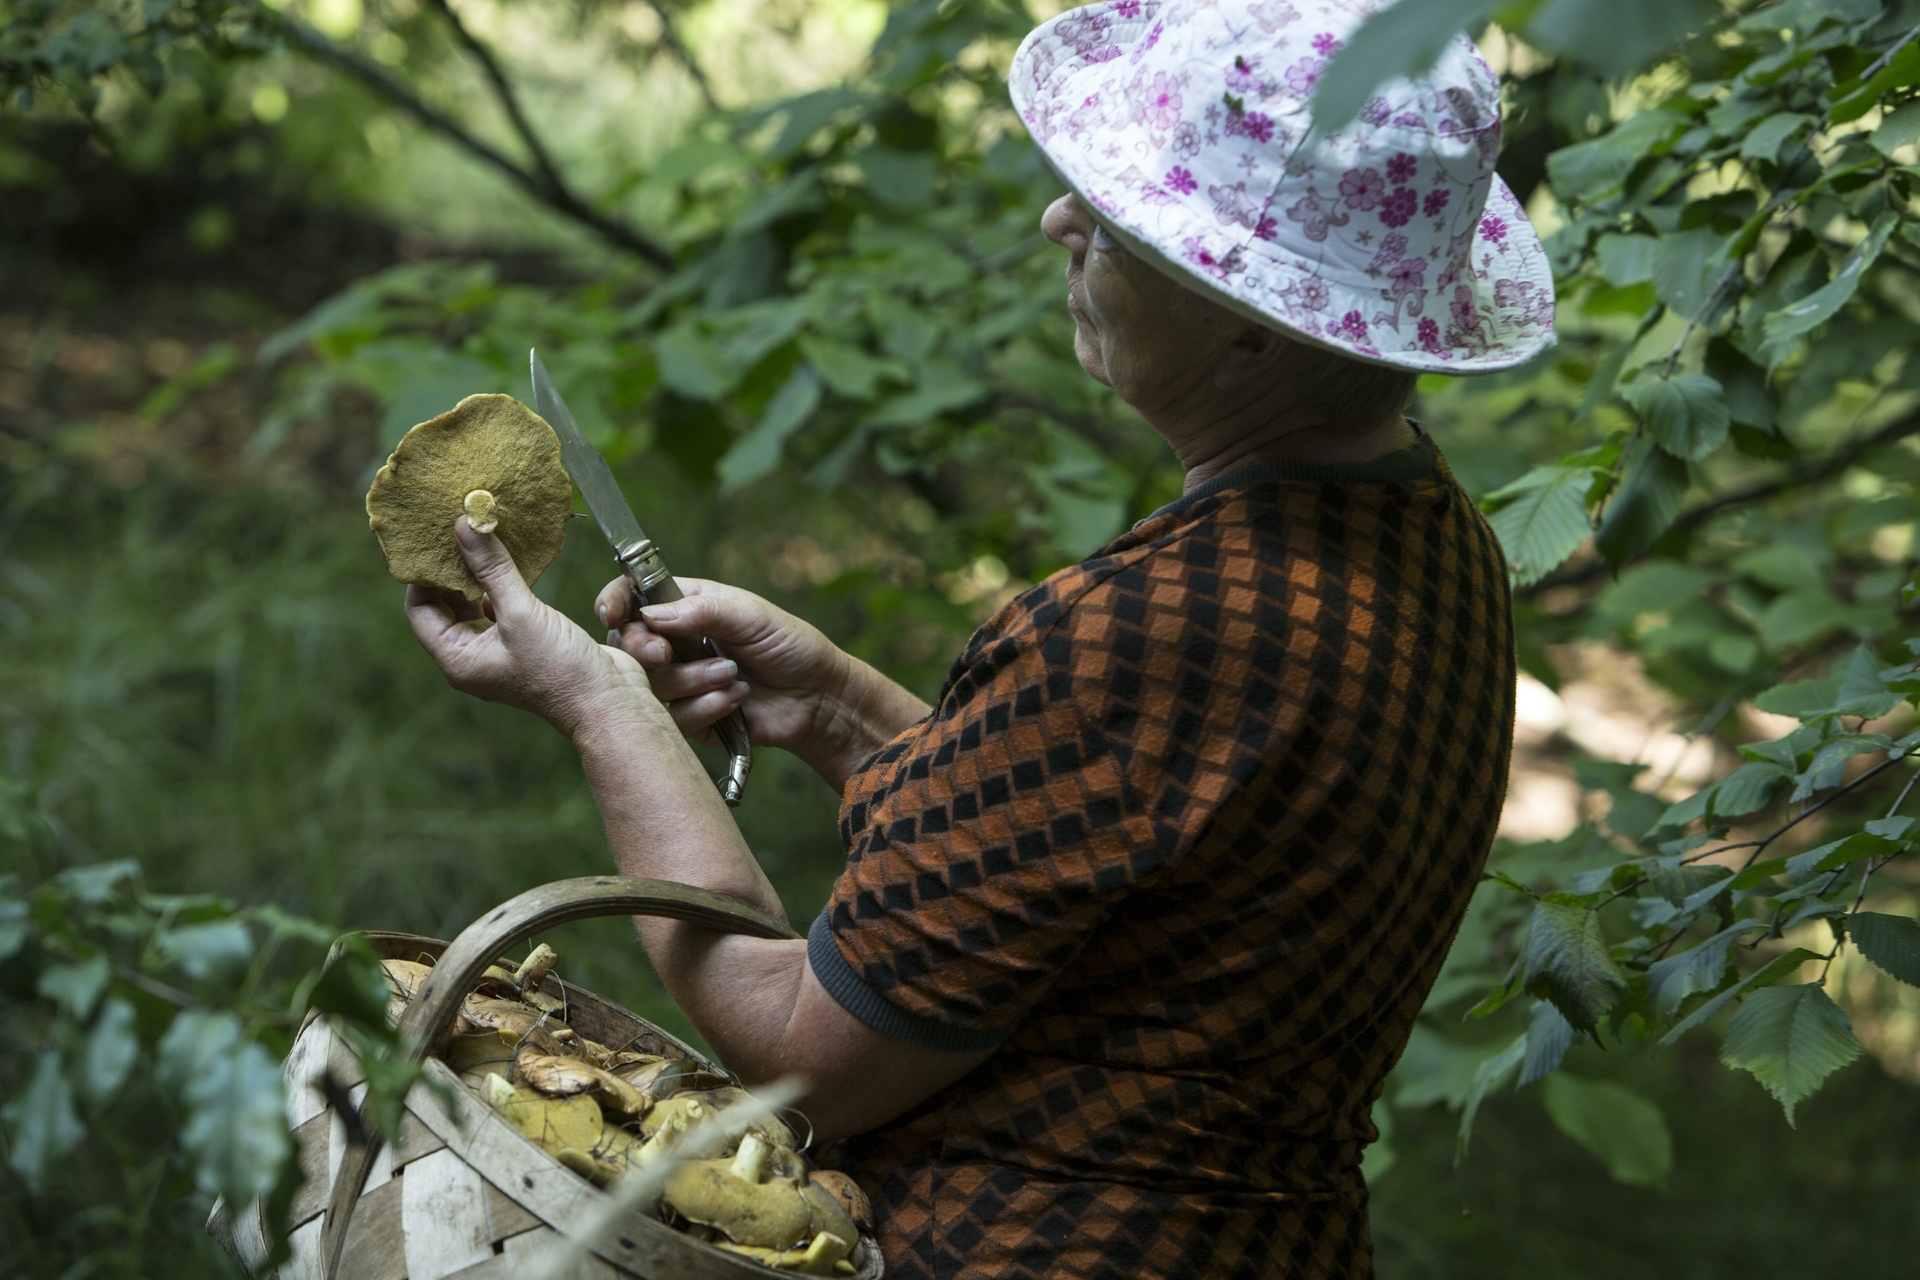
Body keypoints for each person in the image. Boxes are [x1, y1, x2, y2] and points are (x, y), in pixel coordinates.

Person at [403, 2, 1555, 1276]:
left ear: (1250, 316)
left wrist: (597, 699)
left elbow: (798, 1066)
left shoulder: (1139, 634)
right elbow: (1115, 855)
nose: (1064, 219)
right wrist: (838, 706)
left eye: (1119, 217)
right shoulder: (1438, 543)